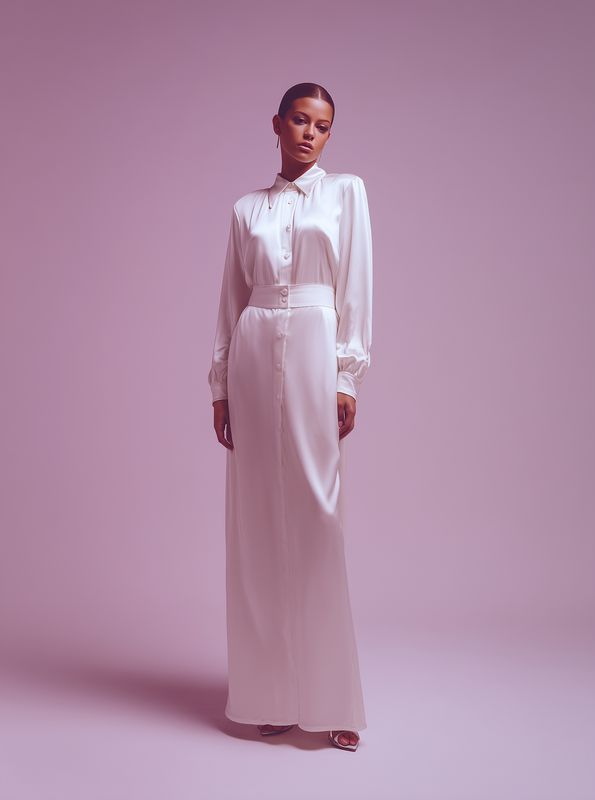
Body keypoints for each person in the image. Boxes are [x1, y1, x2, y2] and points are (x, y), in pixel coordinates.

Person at [208, 82, 373, 752]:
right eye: (300, 120)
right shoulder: (246, 208)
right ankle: (270, 695)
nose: (310, 133)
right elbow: (231, 299)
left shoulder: (346, 194)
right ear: (276, 125)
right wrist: (220, 386)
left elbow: (355, 285)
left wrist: (346, 373)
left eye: (322, 125)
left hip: (313, 344)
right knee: (256, 522)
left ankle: (333, 700)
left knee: (316, 516)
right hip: (251, 352)